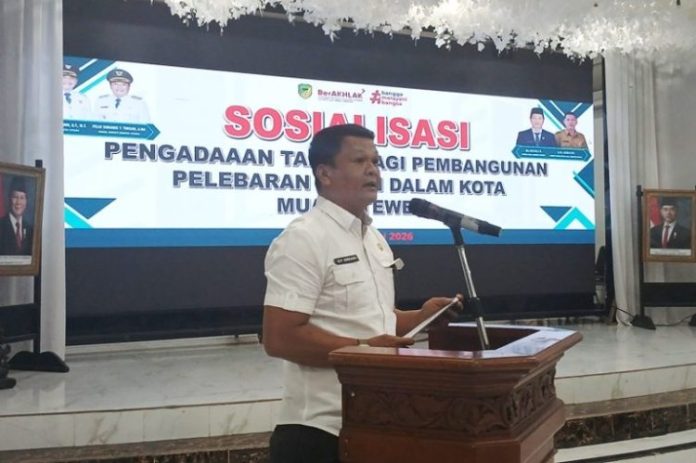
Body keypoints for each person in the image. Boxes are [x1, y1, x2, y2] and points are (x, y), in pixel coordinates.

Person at [262, 124, 460, 463]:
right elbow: (280, 338)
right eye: (359, 161)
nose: (373, 170)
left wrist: (422, 317)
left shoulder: (373, 238)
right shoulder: (303, 238)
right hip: (319, 433)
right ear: (324, 173)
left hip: (376, 423)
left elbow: (374, 318)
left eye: (376, 161)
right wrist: (364, 349)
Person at [0, 176, 33, 256]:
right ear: (9, 198)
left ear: (26, 201)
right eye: (15, 197)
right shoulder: (1, 225)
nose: (18, 202)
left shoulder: (30, 230)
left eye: (22, 198)